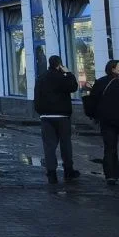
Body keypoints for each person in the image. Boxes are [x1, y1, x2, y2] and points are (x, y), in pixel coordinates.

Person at [34, 55, 80, 184]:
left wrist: (41, 111)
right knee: (65, 144)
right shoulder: (62, 78)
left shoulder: (41, 78)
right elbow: (73, 87)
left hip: (46, 116)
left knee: (49, 146)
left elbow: (37, 97)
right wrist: (69, 73)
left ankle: (51, 173)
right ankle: (68, 171)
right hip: (62, 116)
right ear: (59, 65)